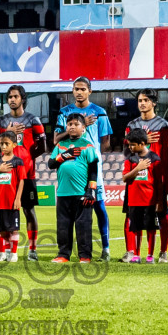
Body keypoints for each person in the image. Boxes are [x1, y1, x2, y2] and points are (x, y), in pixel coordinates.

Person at [55, 77, 114, 260]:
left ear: (90, 91)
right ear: (72, 91)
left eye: (82, 89)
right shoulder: (64, 112)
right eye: (76, 89)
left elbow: (105, 142)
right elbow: (56, 139)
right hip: (71, 166)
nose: (79, 92)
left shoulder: (100, 112)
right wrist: (80, 126)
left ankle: (106, 248)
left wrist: (92, 155)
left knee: (98, 205)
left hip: (91, 164)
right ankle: (69, 252)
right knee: (72, 209)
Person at [0, 85, 46, 260]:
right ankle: (8, 251)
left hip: (26, 174)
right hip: (7, 174)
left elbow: (43, 146)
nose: (12, 100)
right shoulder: (1, 121)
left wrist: (28, 159)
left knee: (28, 210)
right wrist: (8, 133)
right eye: (9, 97)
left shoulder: (33, 120)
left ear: (22, 99)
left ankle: (32, 250)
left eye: (15, 96)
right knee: (6, 211)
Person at [125, 90, 168, 263]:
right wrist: (144, 141)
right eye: (140, 100)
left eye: (146, 100)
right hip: (136, 177)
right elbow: (127, 150)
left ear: (154, 103)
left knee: (161, 213)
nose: (142, 103)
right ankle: (131, 252)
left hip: (156, 178)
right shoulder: (132, 125)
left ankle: (163, 252)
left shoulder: (163, 125)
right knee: (131, 216)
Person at [48, 113, 99, 263]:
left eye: (76, 124)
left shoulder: (87, 145)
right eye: (69, 124)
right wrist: (63, 156)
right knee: (63, 225)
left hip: (81, 193)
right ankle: (63, 254)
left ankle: (85, 256)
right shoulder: (60, 145)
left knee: (83, 226)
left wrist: (92, 190)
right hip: (63, 193)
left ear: (83, 128)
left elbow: (93, 168)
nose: (72, 127)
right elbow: (51, 164)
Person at [120, 129, 160, 264]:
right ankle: (136, 254)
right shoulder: (130, 159)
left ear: (142, 143)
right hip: (134, 200)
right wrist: (138, 168)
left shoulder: (154, 158)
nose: (130, 147)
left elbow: (158, 181)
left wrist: (159, 200)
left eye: (132, 145)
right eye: (129, 145)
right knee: (136, 228)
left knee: (150, 228)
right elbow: (125, 178)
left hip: (150, 200)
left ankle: (150, 255)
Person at [0, 130, 27, 262]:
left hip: (12, 201)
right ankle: (2, 253)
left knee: (13, 229)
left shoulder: (18, 162)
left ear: (14, 145)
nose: (3, 147)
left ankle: (14, 253)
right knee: (0, 229)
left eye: (6, 144)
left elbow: (21, 180)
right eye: (1, 144)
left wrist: (18, 198)